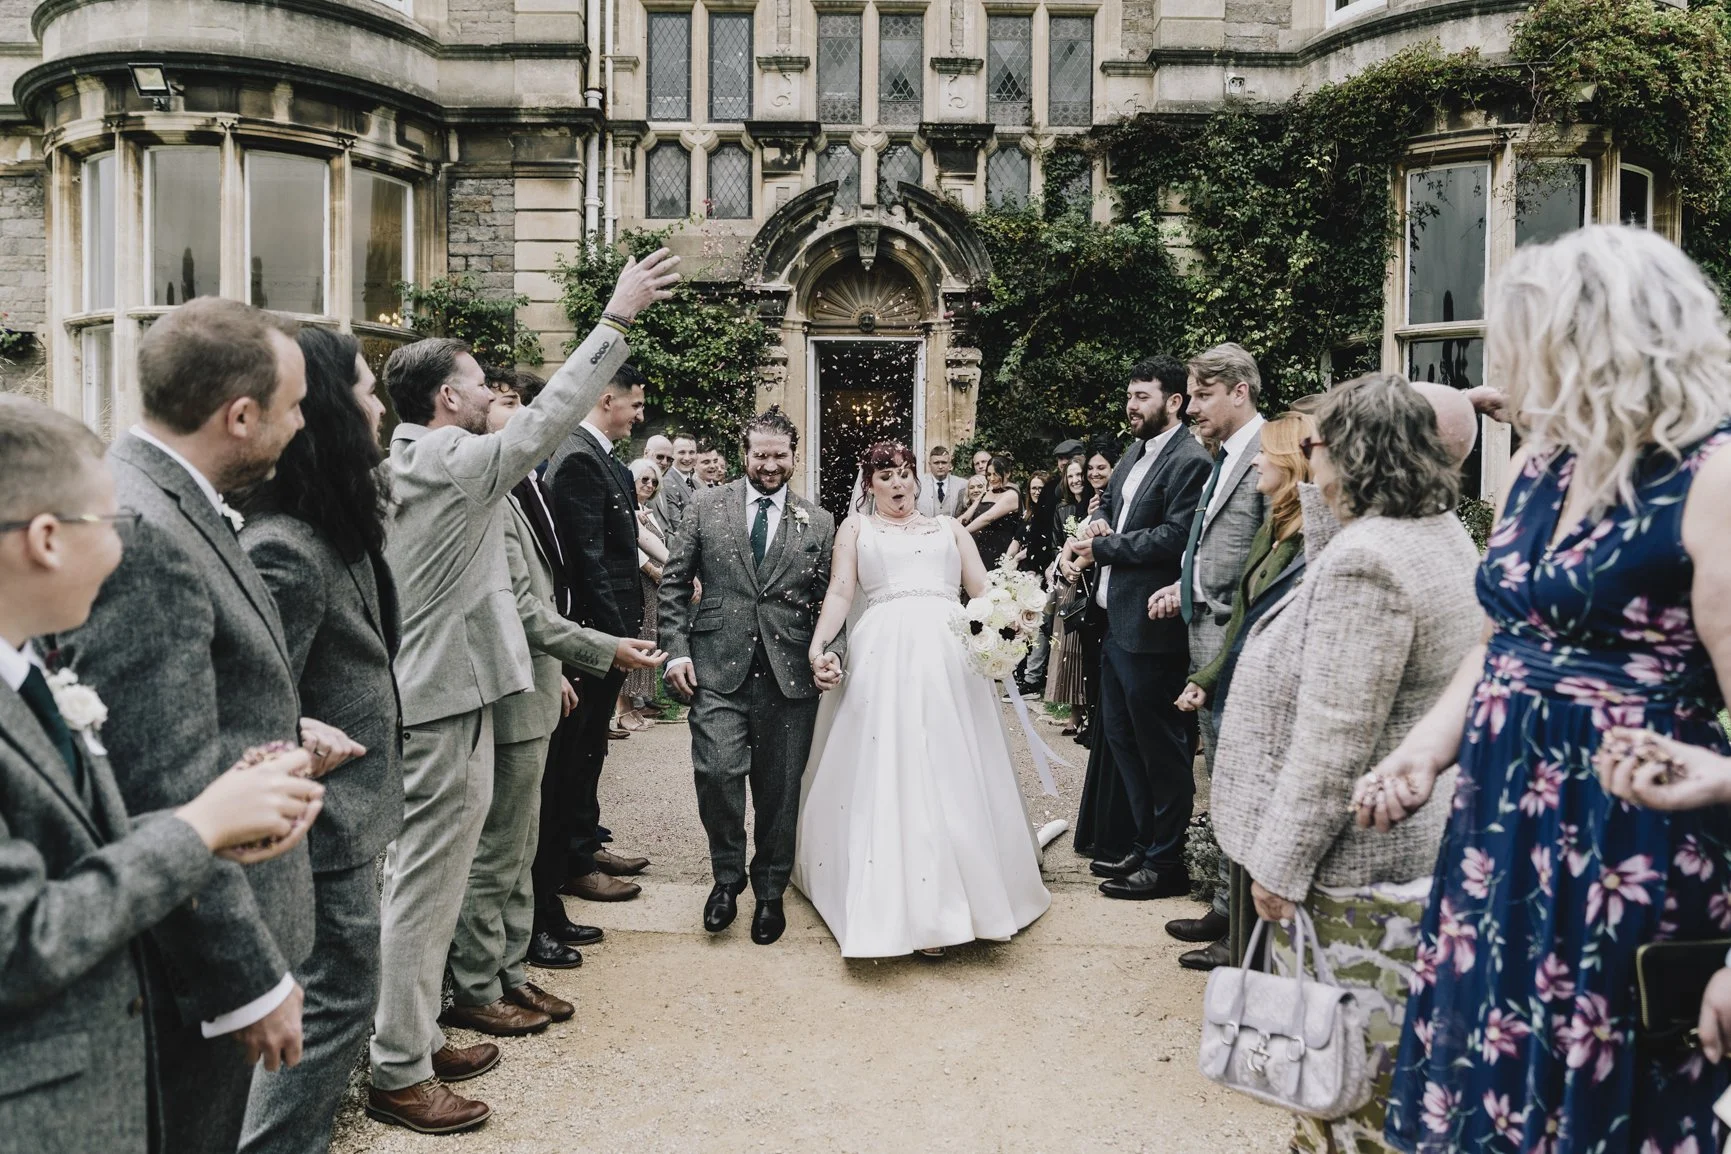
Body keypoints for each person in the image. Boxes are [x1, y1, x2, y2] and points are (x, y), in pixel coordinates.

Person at [1355, 226, 1731, 1152]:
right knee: (1484, 1090)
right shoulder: (1536, 465)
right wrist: (1421, 751)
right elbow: (1499, 646)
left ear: (1591, 347)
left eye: (1521, 344)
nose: (1501, 373)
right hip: (1499, 831)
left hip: (1631, 843)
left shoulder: (1713, 477)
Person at [366, 250, 678, 1134]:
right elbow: (541, 425)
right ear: (448, 400)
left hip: (459, 693)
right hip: (435, 702)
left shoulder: (433, 457)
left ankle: (418, 1035)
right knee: (423, 892)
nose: (489, 392)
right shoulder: (441, 458)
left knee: (449, 880)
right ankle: (397, 1069)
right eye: (476, 382)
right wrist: (613, 321)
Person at [51, 297, 360, 1154]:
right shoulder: (147, 533)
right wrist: (249, 983)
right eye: (295, 406)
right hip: (191, 962)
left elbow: (163, 708)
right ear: (241, 415)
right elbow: (163, 786)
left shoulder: (166, 495)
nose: (305, 425)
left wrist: (281, 726)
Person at [0, 395, 323, 1154]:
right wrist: (196, 827)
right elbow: (18, 939)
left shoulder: (30, 667)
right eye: (109, 525)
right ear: (47, 539)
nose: (121, 547)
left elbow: (77, 841)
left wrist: (224, 814)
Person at [1211, 375, 1480, 1154]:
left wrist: (1279, 865)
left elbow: (1335, 739)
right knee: (1378, 1060)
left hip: (1354, 864)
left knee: (1346, 1070)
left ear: (1352, 454)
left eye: (1314, 443)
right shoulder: (1432, 529)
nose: (1302, 455)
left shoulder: (1369, 564)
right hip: (1415, 847)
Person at [234, 328, 405, 1154]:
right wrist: (297, 733)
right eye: (368, 391)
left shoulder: (332, 528)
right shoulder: (281, 550)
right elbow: (244, 697)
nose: (381, 406)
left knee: (334, 1006)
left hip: (349, 819)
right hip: (316, 826)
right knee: (333, 1005)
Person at [795, 441, 1051, 957]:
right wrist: (820, 642)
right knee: (892, 765)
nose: (898, 483)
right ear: (869, 484)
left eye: (905, 474)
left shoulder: (950, 528)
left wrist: (1014, 615)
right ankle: (911, 903)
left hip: (951, 657)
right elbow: (842, 592)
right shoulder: (855, 529)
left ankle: (971, 893)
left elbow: (980, 590)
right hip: (883, 654)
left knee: (953, 766)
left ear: (917, 480)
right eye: (886, 475)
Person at [441, 371, 636, 1036]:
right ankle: (477, 981)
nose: (519, 410)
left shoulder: (525, 485)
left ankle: (510, 970)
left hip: (541, 670)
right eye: (504, 401)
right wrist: (598, 649)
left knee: (521, 838)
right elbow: (517, 607)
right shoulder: (484, 493)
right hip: (512, 678)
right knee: (500, 843)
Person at [660, 407, 839, 945]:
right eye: (759, 455)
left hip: (790, 675)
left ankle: (768, 893)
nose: (768, 465)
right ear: (744, 453)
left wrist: (831, 651)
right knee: (716, 772)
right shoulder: (704, 506)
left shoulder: (820, 520)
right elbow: (673, 583)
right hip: (716, 666)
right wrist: (675, 651)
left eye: (779, 456)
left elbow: (833, 599)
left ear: (794, 456)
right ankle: (726, 878)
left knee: (780, 790)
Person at [1161, 410, 1315, 960]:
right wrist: (1206, 677)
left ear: (1291, 464)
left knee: (1254, 806)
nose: (1254, 462)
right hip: (1233, 678)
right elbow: (1246, 615)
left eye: (1265, 455)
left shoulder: (1307, 542)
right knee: (1227, 792)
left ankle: (1245, 935)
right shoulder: (1274, 530)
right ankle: (1229, 910)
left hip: (1269, 698)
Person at [1069, 356, 1212, 901]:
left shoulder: (1189, 461)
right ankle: (1144, 844)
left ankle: (1167, 860)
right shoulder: (1133, 453)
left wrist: (1102, 546)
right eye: (1129, 395)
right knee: (1123, 741)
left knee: (1162, 748)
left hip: (1153, 630)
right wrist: (1100, 520)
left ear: (1174, 402)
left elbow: (1177, 537)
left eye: (1143, 396)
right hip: (1115, 623)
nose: (1131, 405)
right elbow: (1113, 506)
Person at [1148, 341, 1267, 970]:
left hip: (1240, 648)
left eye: (1200, 394)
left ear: (1238, 390)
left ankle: (1243, 929)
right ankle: (1224, 902)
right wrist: (1184, 582)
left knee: (1241, 785)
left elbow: (1270, 559)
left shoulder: (1271, 454)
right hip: (1206, 639)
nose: (1190, 406)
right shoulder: (1221, 457)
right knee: (1219, 781)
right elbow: (1214, 548)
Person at [545, 362, 655, 903]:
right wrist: (613, 643)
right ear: (607, 398)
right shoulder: (577, 462)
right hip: (593, 639)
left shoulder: (599, 458)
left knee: (592, 751)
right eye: (634, 404)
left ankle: (587, 840)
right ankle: (573, 862)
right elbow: (586, 562)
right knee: (578, 751)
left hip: (608, 637)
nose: (640, 415)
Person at [1044, 459, 1096, 734]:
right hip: (1068, 578)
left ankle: (1086, 710)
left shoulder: (1093, 503)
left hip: (1088, 576)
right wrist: (1062, 563)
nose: (1076, 479)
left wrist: (1073, 564)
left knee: (1082, 646)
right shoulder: (1064, 508)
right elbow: (1057, 542)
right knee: (1068, 646)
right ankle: (1074, 710)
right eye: (1071, 475)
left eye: (1080, 474)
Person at [618, 457, 670, 732]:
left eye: (653, 481)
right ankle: (621, 709)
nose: (649, 485)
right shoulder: (625, 509)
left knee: (647, 638)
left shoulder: (646, 510)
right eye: (644, 480)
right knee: (635, 640)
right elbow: (629, 544)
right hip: (638, 581)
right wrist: (651, 570)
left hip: (652, 587)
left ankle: (634, 706)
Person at [960, 456, 1022, 570]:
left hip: (1000, 550)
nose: (992, 478)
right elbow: (966, 516)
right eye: (989, 474)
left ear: (1007, 473)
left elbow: (988, 517)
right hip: (979, 549)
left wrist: (961, 533)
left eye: (996, 474)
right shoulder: (986, 493)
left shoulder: (1011, 495)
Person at [660, 433, 700, 529]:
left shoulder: (696, 484)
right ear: (672, 455)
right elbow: (677, 525)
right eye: (682, 452)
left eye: (691, 452)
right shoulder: (668, 483)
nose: (687, 458)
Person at [917, 444, 967, 518]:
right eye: (936, 463)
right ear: (929, 464)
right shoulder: (919, 484)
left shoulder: (962, 484)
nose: (940, 466)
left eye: (944, 462)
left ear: (949, 464)